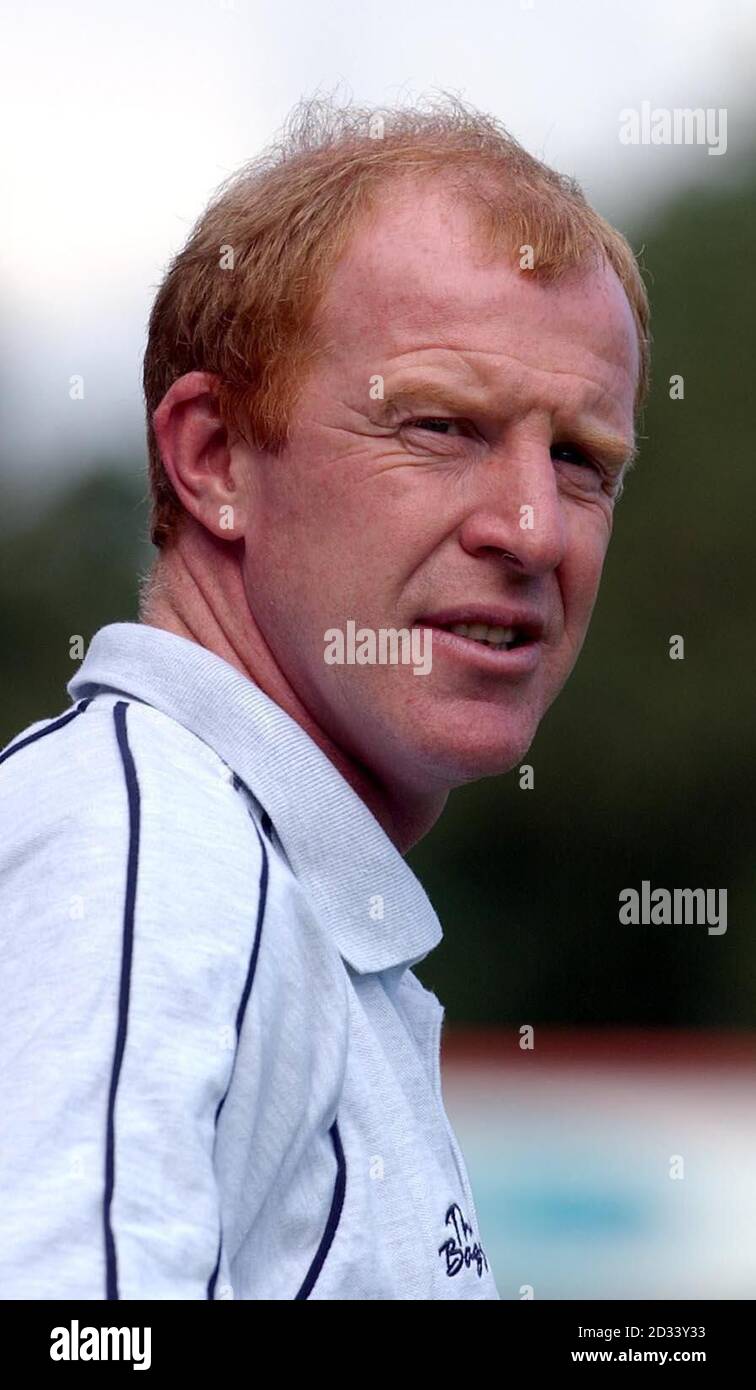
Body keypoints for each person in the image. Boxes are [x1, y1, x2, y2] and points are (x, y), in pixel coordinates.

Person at [0, 94, 649, 1300]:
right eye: (442, 426)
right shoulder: (153, 858)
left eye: (580, 457)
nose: (531, 526)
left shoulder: (246, 873)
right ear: (213, 460)